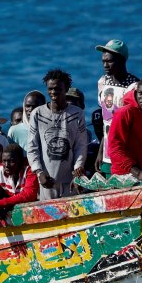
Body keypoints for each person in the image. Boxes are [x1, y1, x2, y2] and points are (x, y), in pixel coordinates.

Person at [28, 69, 88, 200]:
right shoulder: (37, 114)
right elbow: (32, 147)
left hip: (71, 180)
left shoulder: (77, 113)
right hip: (47, 181)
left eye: (57, 88)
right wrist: (39, 172)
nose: (53, 92)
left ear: (66, 88)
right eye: (50, 89)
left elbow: (81, 144)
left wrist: (78, 167)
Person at [107, 77, 142, 181]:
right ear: (136, 92)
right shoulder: (124, 113)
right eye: (141, 93)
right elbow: (114, 149)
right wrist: (137, 172)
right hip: (125, 173)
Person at [95, 39, 139, 175]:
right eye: (103, 61)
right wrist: (101, 151)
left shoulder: (133, 87)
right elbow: (106, 121)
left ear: (122, 61)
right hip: (108, 150)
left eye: (110, 61)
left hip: (125, 149)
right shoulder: (103, 82)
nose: (105, 65)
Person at [0, 144, 39, 228]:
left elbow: (29, 195)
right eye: (4, 161)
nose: (6, 165)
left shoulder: (30, 169)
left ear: (20, 161)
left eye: (11, 161)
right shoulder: (0, 170)